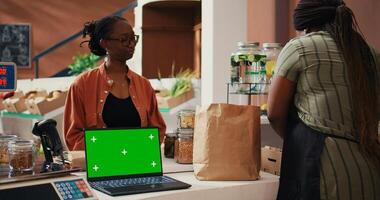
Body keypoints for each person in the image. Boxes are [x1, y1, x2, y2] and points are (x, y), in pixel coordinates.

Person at [267, 0, 380, 199]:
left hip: (323, 169)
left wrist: (298, 140)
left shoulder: (300, 48)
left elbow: (274, 113)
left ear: (306, 25)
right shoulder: (370, 53)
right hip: (370, 170)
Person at [64, 16, 166, 150]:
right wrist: (115, 150)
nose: (131, 44)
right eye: (124, 39)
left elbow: (157, 131)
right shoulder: (82, 85)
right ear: (105, 43)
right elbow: (73, 137)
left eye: (133, 38)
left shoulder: (144, 85)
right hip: (99, 166)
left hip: (138, 163)